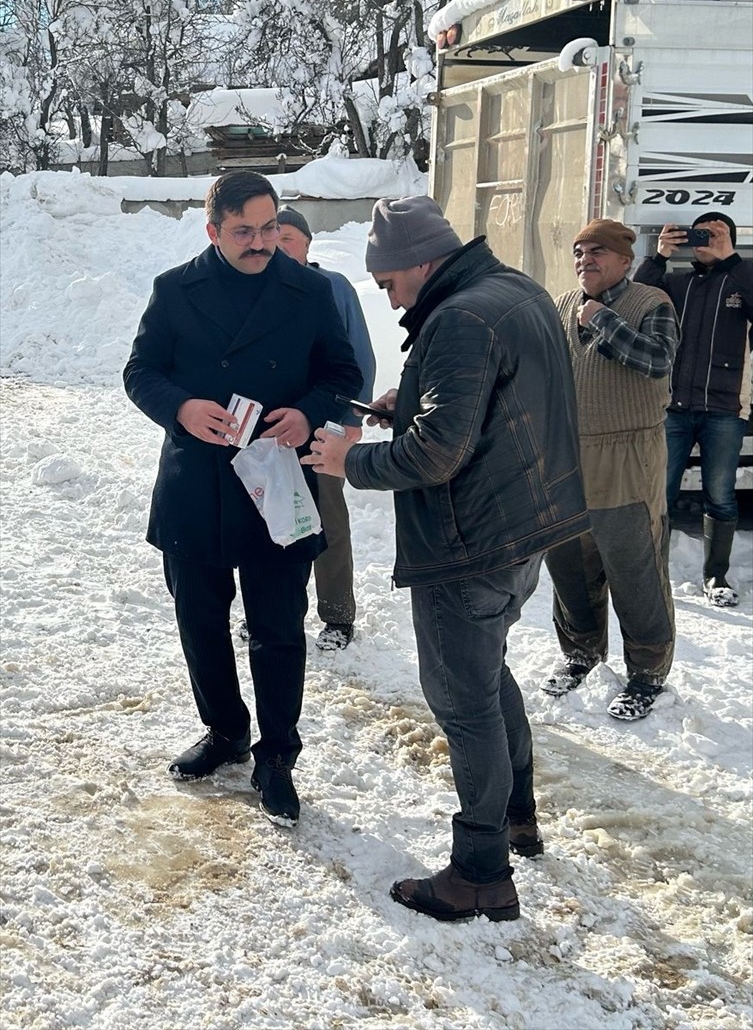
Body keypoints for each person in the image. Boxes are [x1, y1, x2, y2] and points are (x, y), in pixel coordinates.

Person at [302, 195, 589, 924]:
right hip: (523, 528)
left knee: (464, 705)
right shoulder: (510, 290)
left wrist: (349, 459)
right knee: (486, 677)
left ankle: (479, 872)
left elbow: (437, 453)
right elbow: (492, 402)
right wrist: (420, 399)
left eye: (388, 282)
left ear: (419, 263)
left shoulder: (459, 317)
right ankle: (515, 816)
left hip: (468, 543)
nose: (385, 295)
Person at [123, 171, 361, 828]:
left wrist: (307, 414)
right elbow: (140, 372)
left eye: (266, 228)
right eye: (243, 232)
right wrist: (181, 407)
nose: (259, 243)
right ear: (213, 231)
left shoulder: (308, 290)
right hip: (195, 483)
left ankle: (277, 754)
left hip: (277, 483)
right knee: (200, 622)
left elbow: (342, 375)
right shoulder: (175, 290)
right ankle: (224, 731)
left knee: (278, 630)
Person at [542, 219, 680, 721]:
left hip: (627, 457)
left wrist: (602, 320)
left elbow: (658, 360)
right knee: (569, 566)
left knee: (634, 567)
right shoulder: (560, 307)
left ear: (625, 258)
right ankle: (580, 652)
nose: (585, 260)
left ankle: (646, 672)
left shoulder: (651, 303)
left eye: (598, 251)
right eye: (579, 252)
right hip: (566, 456)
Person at [266, 205, 376, 650]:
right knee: (273, 518)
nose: (278, 244)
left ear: (308, 245)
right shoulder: (259, 290)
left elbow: (359, 358)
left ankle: (336, 615)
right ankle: (272, 608)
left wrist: (348, 421)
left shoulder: (332, 287)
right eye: (275, 236)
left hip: (323, 428)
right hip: (271, 432)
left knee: (327, 517)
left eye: (288, 237)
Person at [634, 212, 753, 607]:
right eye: (701, 233)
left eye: (717, 233)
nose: (707, 239)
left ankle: (716, 576)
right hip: (672, 407)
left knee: (720, 495)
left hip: (725, 408)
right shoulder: (676, 282)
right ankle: (651, 572)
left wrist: (731, 257)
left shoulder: (741, 279)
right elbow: (636, 300)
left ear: (732, 239)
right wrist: (660, 256)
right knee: (659, 493)